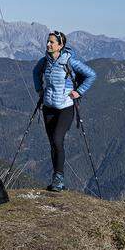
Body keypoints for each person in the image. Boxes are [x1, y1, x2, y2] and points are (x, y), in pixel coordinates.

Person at [32, 30, 96, 192]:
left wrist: (78, 92)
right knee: (53, 143)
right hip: (48, 108)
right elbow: (35, 72)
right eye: (48, 41)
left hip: (65, 108)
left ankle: (59, 179)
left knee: (57, 139)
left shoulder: (70, 61)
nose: (48, 44)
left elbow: (91, 75)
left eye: (52, 42)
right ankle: (56, 179)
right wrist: (39, 89)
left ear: (60, 46)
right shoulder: (44, 61)